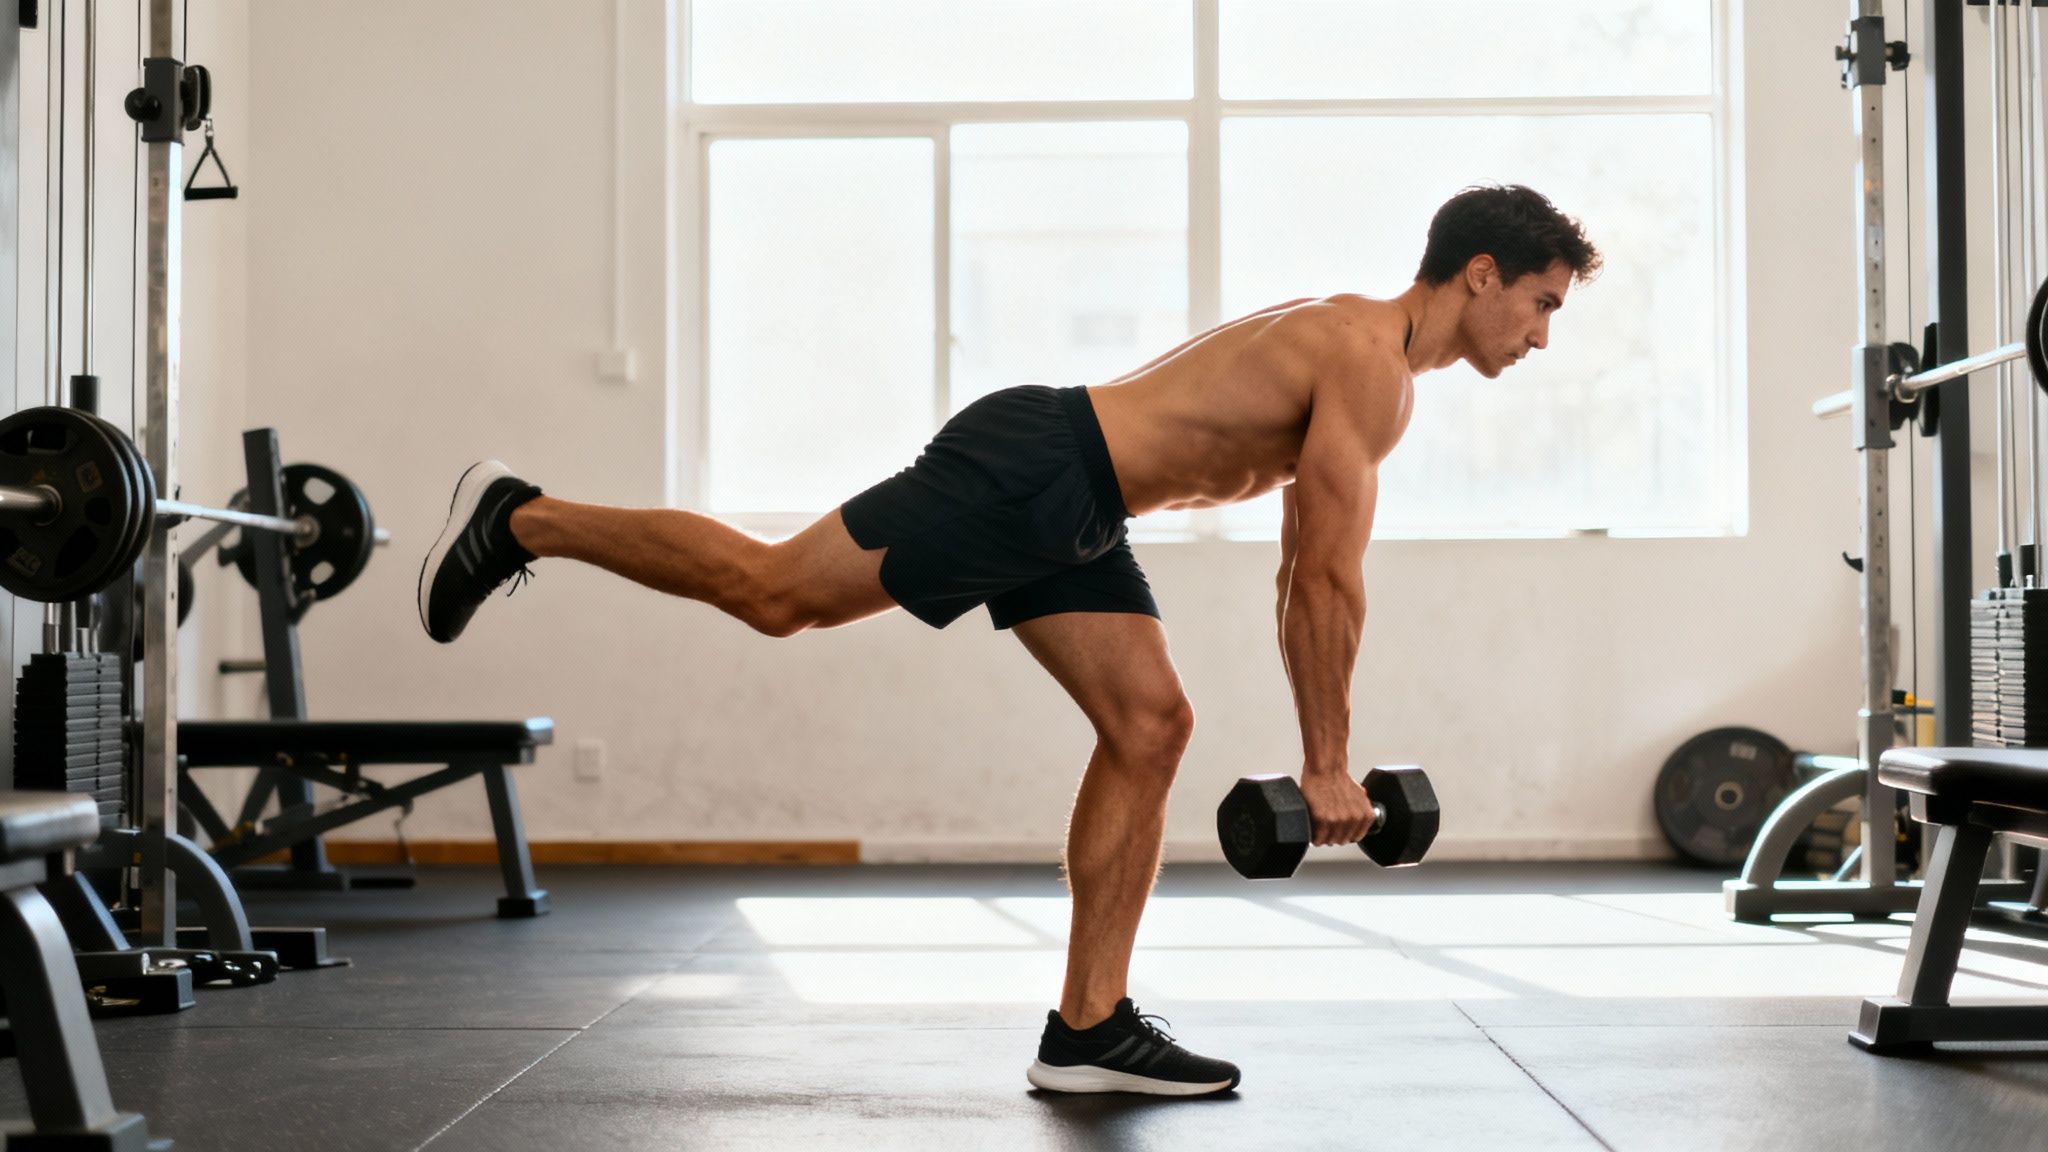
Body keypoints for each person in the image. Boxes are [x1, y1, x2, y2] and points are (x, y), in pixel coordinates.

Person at [418, 182, 1600, 1096]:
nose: (1542, 335)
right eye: (1541, 303)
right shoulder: (1369, 366)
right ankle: (524, 517)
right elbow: (1323, 577)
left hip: (1075, 503)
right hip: (1038, 470)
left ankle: (1088, 1028)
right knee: (774, 593)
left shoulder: (1355, 344)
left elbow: (1306, 574)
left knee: (1151, 725)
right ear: (1481, 274)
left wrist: (1326, 752)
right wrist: (1327, 763)